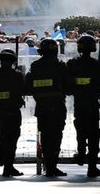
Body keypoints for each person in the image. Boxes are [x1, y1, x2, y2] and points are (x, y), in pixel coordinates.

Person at [25, 38, 71, 177]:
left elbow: (29, 87)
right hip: (57, 106)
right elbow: (68, 88)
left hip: (42, 107)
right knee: (56, 137)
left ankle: (47, 164)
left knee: (45, 136)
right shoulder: (61, 66)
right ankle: (52, 166)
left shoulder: (35, 66)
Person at [66, 35, 100, 177]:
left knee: (81, 131)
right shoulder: (96, 65)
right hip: (92, 104)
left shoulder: (72, 64)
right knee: (94, 135)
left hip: (79, 104)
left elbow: (68, 87)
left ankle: (81, 153)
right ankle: (92, 166)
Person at [0, 49, 26, 177]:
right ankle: (8, 165)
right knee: (12, 138)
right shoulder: (17, 75)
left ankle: (1, 158)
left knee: (2, 135)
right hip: (14, 111)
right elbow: (24, 90)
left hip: (0, 112)